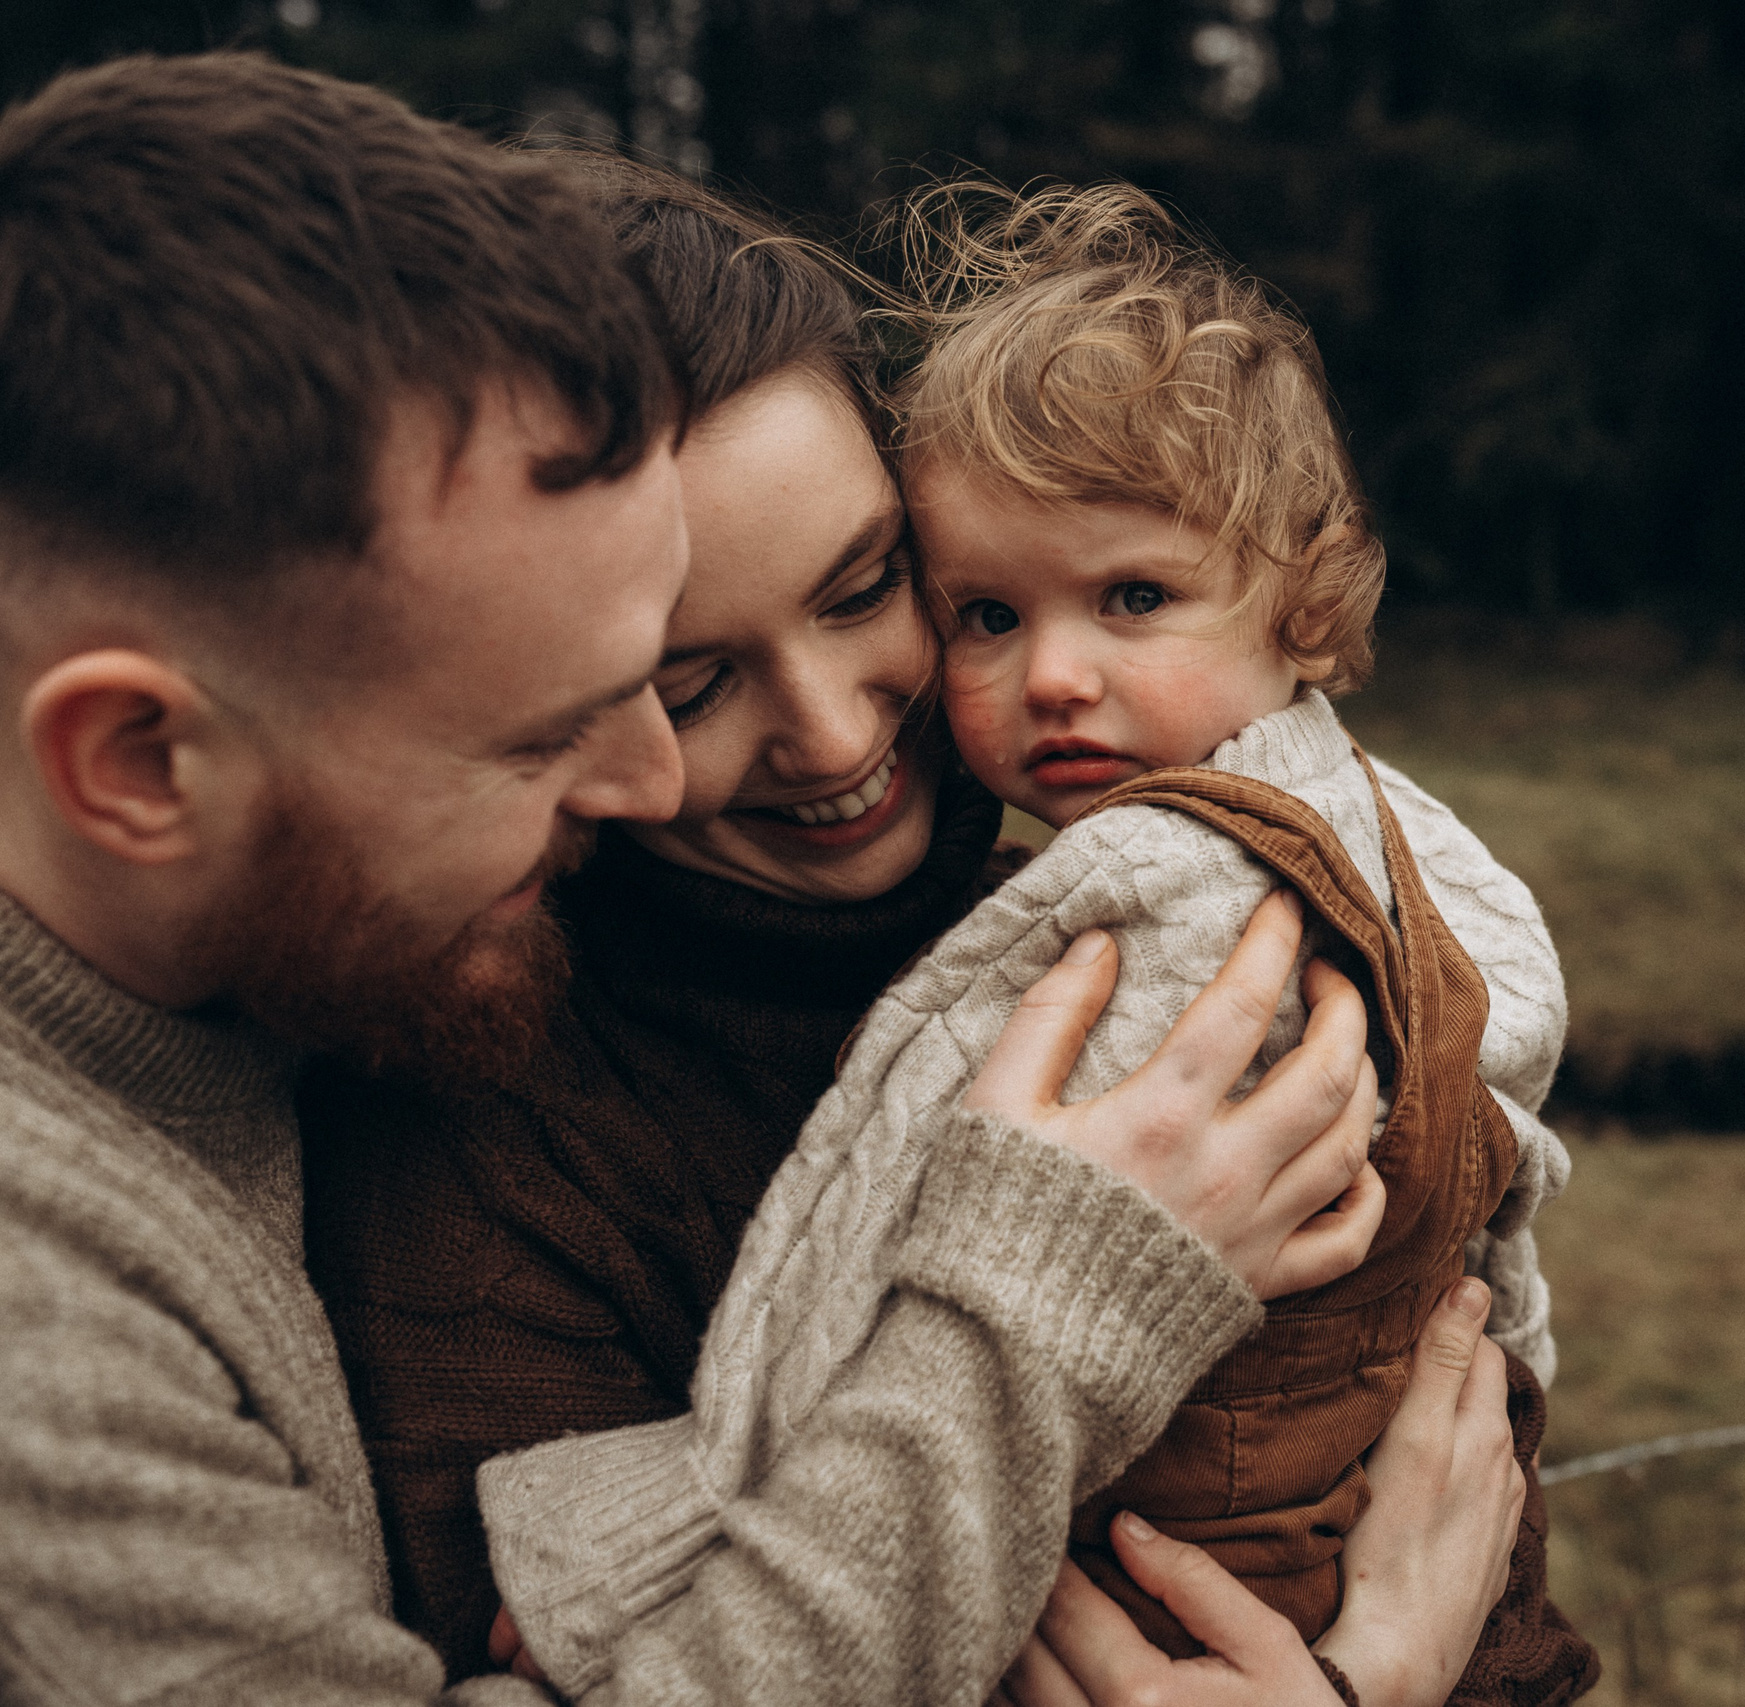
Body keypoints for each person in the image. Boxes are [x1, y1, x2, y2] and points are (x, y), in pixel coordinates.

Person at [0, 54, 1457, 1705]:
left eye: (870, 585)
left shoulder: (294, 982)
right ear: (135, 764)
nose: (629, 788)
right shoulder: (48, 1314)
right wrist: (1051, 1334)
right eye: (546, 730)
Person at [725, 180, 1600, 1705]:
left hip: (1144, 1560)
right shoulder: (1405, 837)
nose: (1054, 674)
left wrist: (695, 1506)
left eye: (1134, 596)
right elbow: (1503, 1137)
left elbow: (862, 1200)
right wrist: (1506, 1382)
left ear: (1304, 595)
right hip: (1324, 1537)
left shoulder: (1154, 882)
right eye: (986, 615)